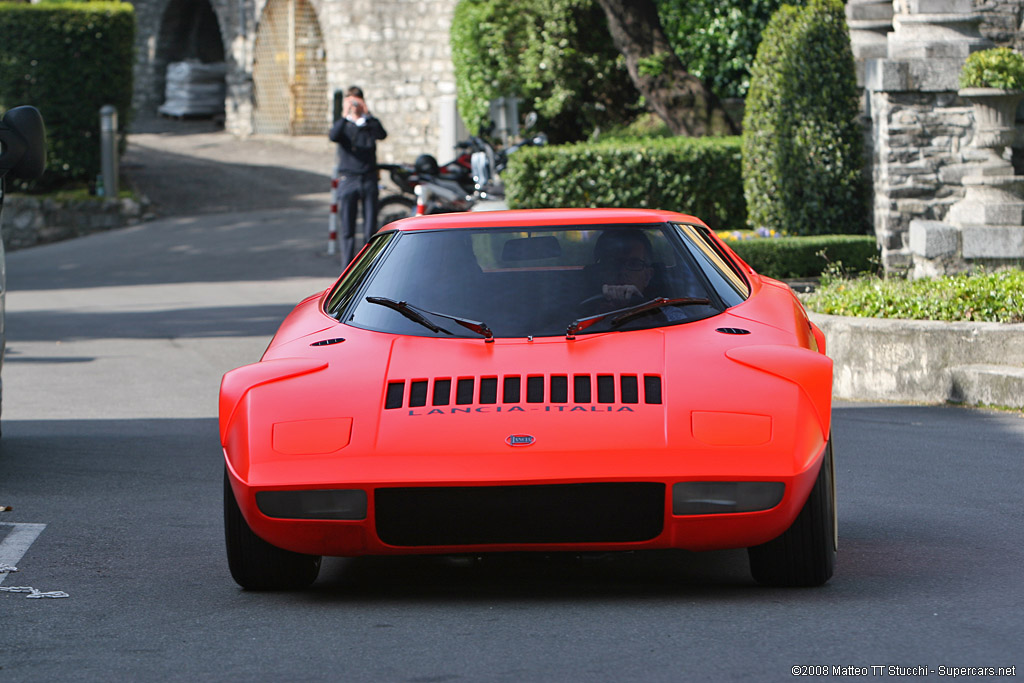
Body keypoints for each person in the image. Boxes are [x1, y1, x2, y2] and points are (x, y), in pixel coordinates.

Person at [329, 86, 388, 263]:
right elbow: (333, 135)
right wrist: (345, 113)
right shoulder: (344, 125)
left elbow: (382, 134)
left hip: (368, 178)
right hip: (349, 179)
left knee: (370, 228)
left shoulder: (369, 124)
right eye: (351, 101)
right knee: (347, 229)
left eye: (356, 101)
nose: (354, 105)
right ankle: (347, 269)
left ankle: (369, 267)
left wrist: (367, 113)